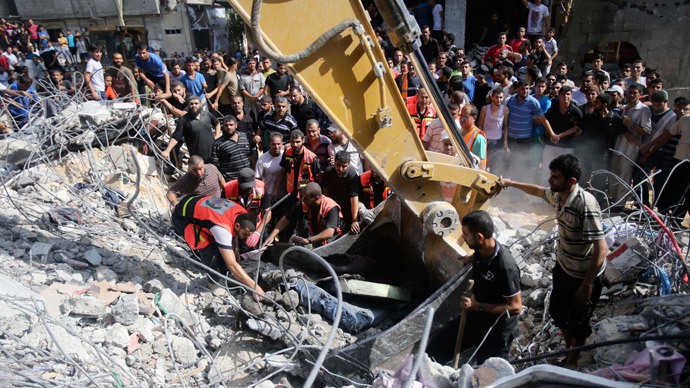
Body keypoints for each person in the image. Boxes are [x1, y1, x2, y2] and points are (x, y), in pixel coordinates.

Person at [498, 154, 607, 369]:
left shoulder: (585, 204)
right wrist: (511, 184)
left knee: (579, 321)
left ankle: (574, 360)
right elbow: (538, 191)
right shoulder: (559, 195)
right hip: (564, 267)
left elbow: (601, 248)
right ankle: (569, 351)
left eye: (555, 177)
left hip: (584, 275)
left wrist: (587, 285)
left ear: (571, 181)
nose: (550, 180)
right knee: (558, 313)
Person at [454, 210, 522, 364]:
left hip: (495, 331)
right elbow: (477, 255)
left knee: (488, 374)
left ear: (479, 237)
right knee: (437, 346)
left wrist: (478, 306)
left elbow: (516, 307)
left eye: (465, 234)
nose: (463, 238)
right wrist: (468, 258)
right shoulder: (482, 249)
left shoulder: (506, 267)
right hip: (474, 318)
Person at [171, 194, 265, 295]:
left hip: (195, 202)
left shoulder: (241, 213)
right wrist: (254, 287)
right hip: (182, 217)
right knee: (208, 250)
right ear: (237, 226)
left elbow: (232, 237)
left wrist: (236, 250)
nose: (247, 237)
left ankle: (225, 275)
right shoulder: (222, 228)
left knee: (222, 248)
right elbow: (232, 265)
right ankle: (213, 283)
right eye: (245, 234)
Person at [262, 182, 343, 248]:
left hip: (334, 242)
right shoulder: (304, 204)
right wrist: (272, 236)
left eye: (307, 198)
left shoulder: (330, 207)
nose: (304, 200)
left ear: (316, 198)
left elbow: (329, 233)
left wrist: (307, 240)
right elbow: (285, 219)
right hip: (318, 240)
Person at [609, 84, 651, 204]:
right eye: (630, 92)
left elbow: (647, 131)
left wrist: (631, 125)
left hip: (631, 149)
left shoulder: (644, 110)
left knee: (625, 177)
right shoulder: (624, 107)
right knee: (614, 174)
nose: (632, 95)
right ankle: (613, 200)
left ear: (640, 95)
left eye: (635, 93)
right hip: (618, 146)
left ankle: (620, 203)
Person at [223, 167, 271, 250]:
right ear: (239, 182)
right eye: (245, 187)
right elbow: (223, 214)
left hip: (257, 226)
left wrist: (257, 233)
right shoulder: (228, 189)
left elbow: (268, 212)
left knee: (263, 250)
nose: (248, 189)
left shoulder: (260, 187)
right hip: (238, 229)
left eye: (250, 186)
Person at [162, 95, 220, 163]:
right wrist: (167, 151)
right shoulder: (184, 120)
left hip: (213, 153)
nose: (194, 105)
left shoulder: (207, 115)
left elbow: (217, 123)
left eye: (196, 103)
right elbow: (176, 137)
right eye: (191, 104)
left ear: (201, 104)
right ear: (188, 105)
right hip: (198, 157)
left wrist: (217, 135)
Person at [274, 129, 320, 203]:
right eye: (292, 142)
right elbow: (282, 172)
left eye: (298, 142)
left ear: (303, 140)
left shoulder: (312, 158)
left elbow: (318, 179)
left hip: (306, 196)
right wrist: (276, 190)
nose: (295, 145)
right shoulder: (287, 153)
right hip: (290, 194)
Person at [321, 151, 362, 233]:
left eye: (344, 166)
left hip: (348, 207)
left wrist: (355, 220)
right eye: (338, 165)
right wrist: (326, 210)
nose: (340, 169)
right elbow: (325, 192)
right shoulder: (328, 172)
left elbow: (354, 198)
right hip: (334, 206)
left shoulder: (352, 175)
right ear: (334, 163)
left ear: (349, 165)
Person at [209, 115, 251, 181]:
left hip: (247, 178)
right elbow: (215, 166)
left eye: (231, 125)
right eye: (226, 125)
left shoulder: (244, 137)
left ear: (236, 125)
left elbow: (250, 155)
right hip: (231, 180)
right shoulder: (218, 143)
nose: (229, 127)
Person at [477, 88, 509, 173]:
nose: (498, 100)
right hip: (485, 140)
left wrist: (505, 141)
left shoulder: (505, 109)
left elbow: (505, 126)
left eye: (501, 97)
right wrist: (479, 138)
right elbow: (480, 125)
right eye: (497, 97)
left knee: (495, 165)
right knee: (484, 163)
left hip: (498, 140)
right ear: (492, 97)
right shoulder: (485, 109)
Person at [255, 132, 286, 205]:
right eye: (274, 144)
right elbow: (258, 179)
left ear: (282, 143)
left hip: (284, 196)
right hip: (269, 196)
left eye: (278, 144)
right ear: (269, 144)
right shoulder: (262, 160)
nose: (276, 146)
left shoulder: (286, 156)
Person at [459, 105, 487, 169]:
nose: (462, 119)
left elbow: (479, 164)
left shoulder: (478, 138)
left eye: (466, 117)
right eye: (461, 116)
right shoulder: (461, 131)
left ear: (474, 118)